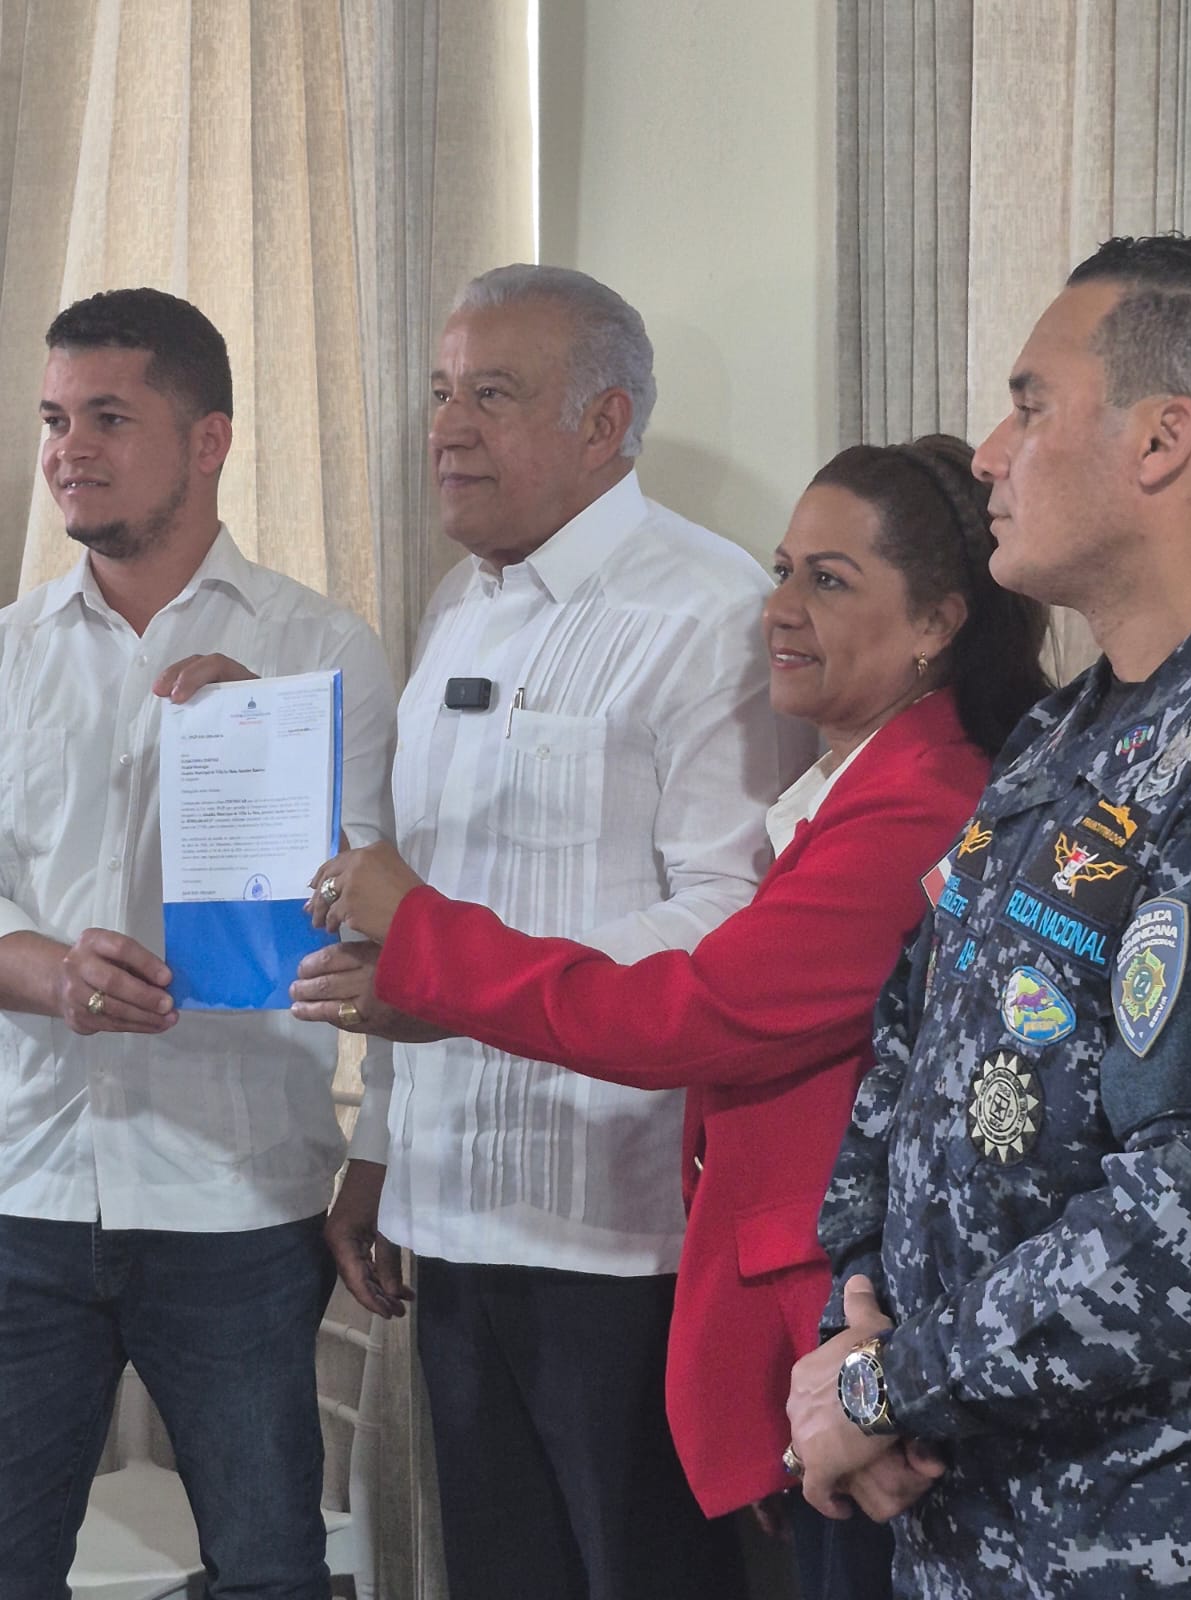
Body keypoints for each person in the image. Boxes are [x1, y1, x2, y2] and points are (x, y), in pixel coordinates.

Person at [293, 434, 1051, 1598]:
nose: (780, 610)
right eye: (785, 568)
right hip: (620, 1241)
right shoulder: (865, 779)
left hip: (810, 1300)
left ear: (937, 623)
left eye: (830, 581)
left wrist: (427, 935)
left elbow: (690, 1013)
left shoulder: (925, 801)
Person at [304, 264, 793, 1600]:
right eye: (443, 393)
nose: (447, 428)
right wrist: (378, 1153)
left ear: (604, 422)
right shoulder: (463, 605)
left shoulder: (712, 613)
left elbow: (727, 922)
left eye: (494, 395)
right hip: (454, 1217)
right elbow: (416, 899)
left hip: (622, 1234)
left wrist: (459, 985)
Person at [781, 231, 1191, 1599]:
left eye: (1029, 405)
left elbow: (1180, 1210)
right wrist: (858, 1324)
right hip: (966, 1518)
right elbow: (912, 1040)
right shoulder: (1058, 740)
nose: (984, 452)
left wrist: (895, 1387)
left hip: (1126, 1533)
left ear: (1161, 440)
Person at [0, 288, 395, 1599]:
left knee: (271, 1567)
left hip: (236, 1196)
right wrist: (48, 973)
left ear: (210, 437)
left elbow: (369, 918)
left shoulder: (320, 650)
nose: (69, 448)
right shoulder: (6, 656)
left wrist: (267, 746)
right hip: (27, 1193)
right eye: (57, 418)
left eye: (110, 416)